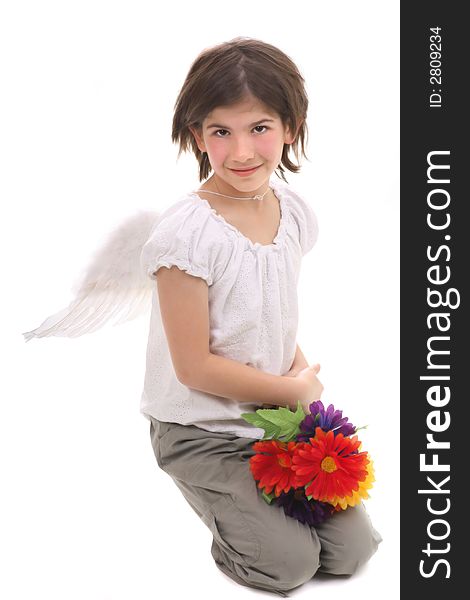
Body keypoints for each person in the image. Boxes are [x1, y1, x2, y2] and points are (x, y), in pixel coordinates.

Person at [140, 37, 382, 596]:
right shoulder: (187, 235)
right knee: (288, 566)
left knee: (351, 552)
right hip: (201, 430)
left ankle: (265, 513)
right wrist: (291, 390)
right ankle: (238, 529)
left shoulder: (291, 211)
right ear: (197, 136)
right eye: (221, 132)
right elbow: (195, 367)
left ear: (290, 127)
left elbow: (272, 316)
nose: (243, 151)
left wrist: (297, 390)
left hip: (273, 412)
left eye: (260, 128)